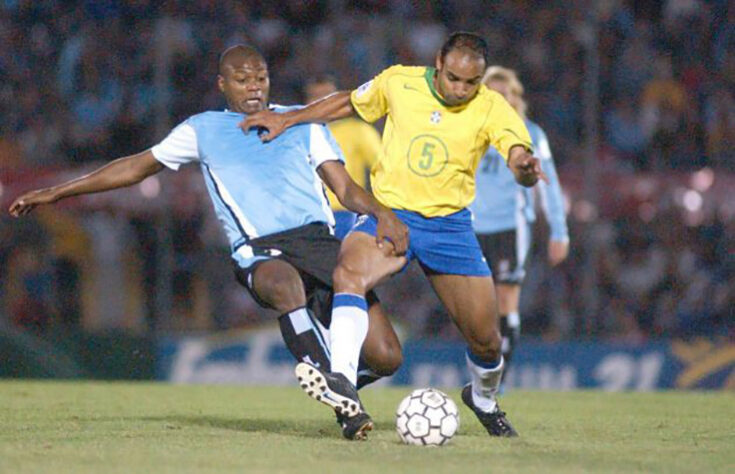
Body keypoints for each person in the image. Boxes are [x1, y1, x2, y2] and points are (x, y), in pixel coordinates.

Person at [8, 45, 409, 441]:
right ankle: (338, 393)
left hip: (319, 243)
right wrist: (57, 191)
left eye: (261, 78)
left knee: (386, 356)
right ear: (222, 84)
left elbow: (346, 188)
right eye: (242, 79)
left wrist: (381, 212)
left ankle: (340, 386)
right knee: (286, 285)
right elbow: (135, 167)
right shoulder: (201, 130)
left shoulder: (303, 123)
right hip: (259, 249)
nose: (254, 87)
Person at [242, 32, 547, 438]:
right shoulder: (399, 82)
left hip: (449, 226)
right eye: (453, 78)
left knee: (488, 342)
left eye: (470, 83)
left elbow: (516, 156)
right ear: (438, 62)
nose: (460, 89)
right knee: (349, 271)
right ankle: (343, 381)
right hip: (392, 214)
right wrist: (289, 117)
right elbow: (347, 101)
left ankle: (484, 399)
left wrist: (524, 168)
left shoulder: (492, 106)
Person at [471, 66, 569, 383]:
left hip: (510, 227)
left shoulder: (530, 133)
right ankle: (482, 368)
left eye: (507, 95)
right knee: (474, 307)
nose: (501, 100)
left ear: (516, 99)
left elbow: (548, 183)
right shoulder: (469, 129)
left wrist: (559, 231)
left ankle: (496, 380)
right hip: (470, 227)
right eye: (493, 94)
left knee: (505, 300)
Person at [304, 76, 382, 240]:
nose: (322, 102)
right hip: (308, 216)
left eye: (328, 96)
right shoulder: (299, 133)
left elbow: (384, 168)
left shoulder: (358, 130)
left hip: (344, 212)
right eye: (315, 97)